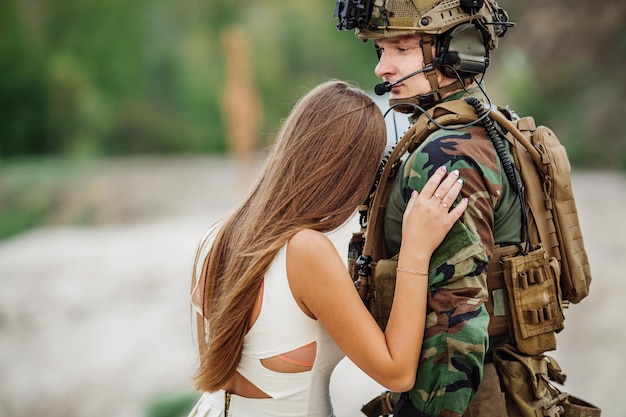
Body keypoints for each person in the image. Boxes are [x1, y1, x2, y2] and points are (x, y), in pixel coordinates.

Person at [185, 80, 468, 417]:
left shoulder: (216, 237)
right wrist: (415, 250)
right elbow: (397, 371)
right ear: (350, 173)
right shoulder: (306, 251)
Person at [334, 1, 552, 416]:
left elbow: (457, 319)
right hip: (510, 383)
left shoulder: (445, 155)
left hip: (462, 395)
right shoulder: (483, 126)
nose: (382, 68)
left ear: (458, 50)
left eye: (400, 49)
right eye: (380, 51)